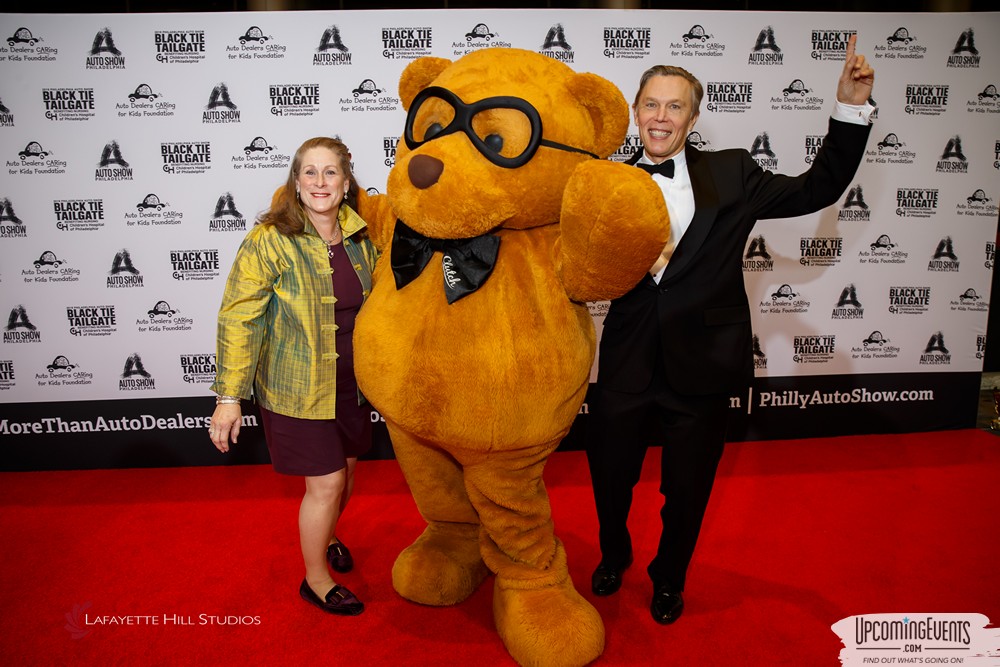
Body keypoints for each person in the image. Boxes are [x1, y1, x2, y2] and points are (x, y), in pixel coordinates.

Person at [586, 35, 875, 625]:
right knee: (610, 477)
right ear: (635, 110)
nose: (660, 117)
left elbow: (815, 188)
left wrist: (847, 109)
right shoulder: (605, 181)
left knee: (686, 491)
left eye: (674, 106)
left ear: (693, 117)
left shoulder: (733, 172)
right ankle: (614, 552)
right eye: (650, 104)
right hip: (626, 360)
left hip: (704, 363)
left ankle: (670, 577)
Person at [208, 136, 378, 616]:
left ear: (346, 183)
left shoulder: (364, 236)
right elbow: (240, 317)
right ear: (296, 182)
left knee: (345, 476)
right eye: (310, 172)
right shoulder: (270, 240)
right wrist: (230, 396)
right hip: (295, 386)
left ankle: (326, 535)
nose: (319, 182)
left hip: (353, 385)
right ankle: (316, 579)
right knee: (324, 483)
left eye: (330, 173)